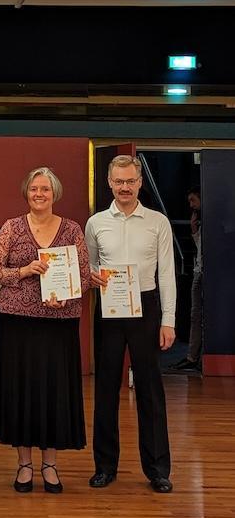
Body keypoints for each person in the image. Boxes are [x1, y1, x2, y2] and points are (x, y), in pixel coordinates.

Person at [0, 167, 90, 493]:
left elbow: (84, 276)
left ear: (54, 193)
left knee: (54, 392)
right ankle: (24, 465)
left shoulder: (72, 230)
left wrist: (67, 296)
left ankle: (50, 465)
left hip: (59, 323)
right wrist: (24, 270)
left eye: (45, 189)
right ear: (26, 193)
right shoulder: (12, 228)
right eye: (34, 189)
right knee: (21, 391)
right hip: (17, 322)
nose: (39, 194)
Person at [86, 154, 176, 493]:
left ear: (139, 183)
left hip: (146, 307)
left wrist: (168, 320)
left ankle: (158, 470)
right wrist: (92, 276)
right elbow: (89, 266)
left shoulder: (158, 222)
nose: (125, 187)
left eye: (130, 181)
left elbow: (167, 274)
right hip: (109, 308)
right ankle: (105, 466)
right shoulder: (95, 223)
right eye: (119, 181)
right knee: (106, 388)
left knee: (151, 389)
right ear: (110, 183)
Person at [171, 187, 203, 372]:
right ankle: (193, 355)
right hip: (199, 270)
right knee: (195, 314)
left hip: (203, 271)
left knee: (197, 314)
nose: (191, 205)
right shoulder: (199, 221)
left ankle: (195, 356)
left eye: (193, 200)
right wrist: (193, 229)